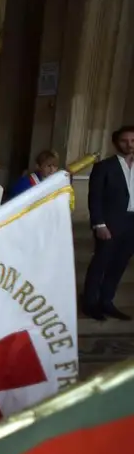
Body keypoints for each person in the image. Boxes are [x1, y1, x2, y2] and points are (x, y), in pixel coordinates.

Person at [83, 126, 134, 321]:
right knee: (100, 263)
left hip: (132, 224)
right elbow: (94, 197)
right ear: (115, 143)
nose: (129, 145)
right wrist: (99, 224)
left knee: (119, 265)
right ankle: (90, 303)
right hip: (110, 224)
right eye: (124, 141)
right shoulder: (104, 167)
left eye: (133, 141)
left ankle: (106, 301)